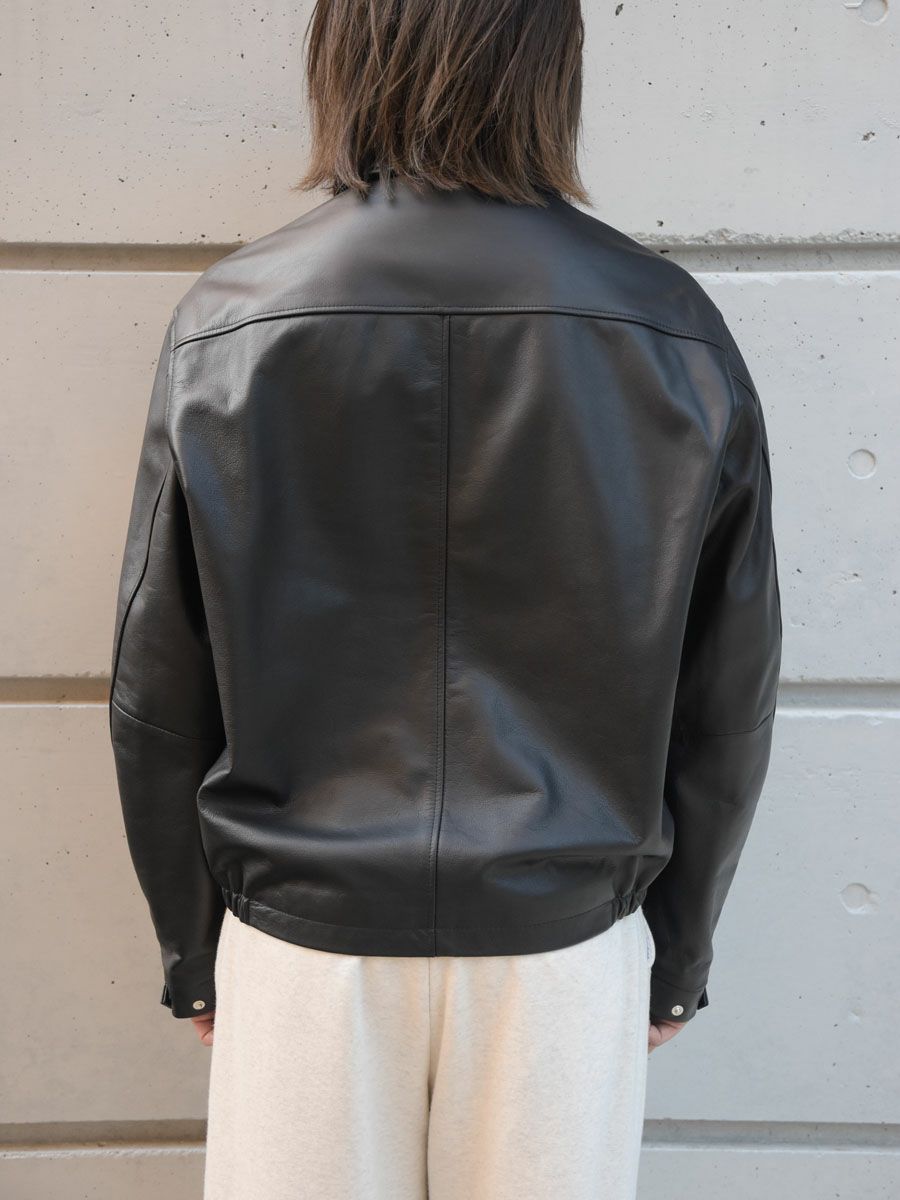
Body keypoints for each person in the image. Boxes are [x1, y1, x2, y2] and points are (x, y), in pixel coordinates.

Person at [108, 1, 783, 1197]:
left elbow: (158, 678)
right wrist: (677, 955)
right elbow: (728, 689)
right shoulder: (671, 327)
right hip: (559, 952)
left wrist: (191, 948)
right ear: (551, 70)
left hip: (308, 949)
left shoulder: (231, 321)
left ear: (346, 58)